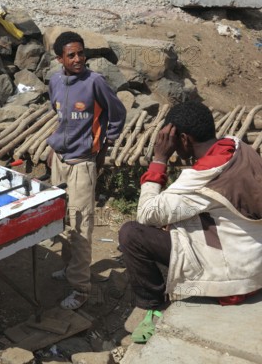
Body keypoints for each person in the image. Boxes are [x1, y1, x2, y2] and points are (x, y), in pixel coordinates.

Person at [118, 100, 262, 343]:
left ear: (183, 139)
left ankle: (152, 305)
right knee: (175, 220)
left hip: (235, 281)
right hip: (254, 258)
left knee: (131, 233)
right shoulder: (237, 146)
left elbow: (147, 213)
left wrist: (160, 159)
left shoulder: (202, 176)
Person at [47, 31, 126, 310]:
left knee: (80, 224)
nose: (79, 59)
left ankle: (81, 289)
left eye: (81, 53)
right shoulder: (55, 80)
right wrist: (53, 148)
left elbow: (117, 113)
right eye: (72, 55)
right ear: (60, 59)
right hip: (59, 160)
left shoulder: (95, 82)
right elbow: (57, 114)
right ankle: (68, 268)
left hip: (82, 163)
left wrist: (105, 145)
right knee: (61, 218)